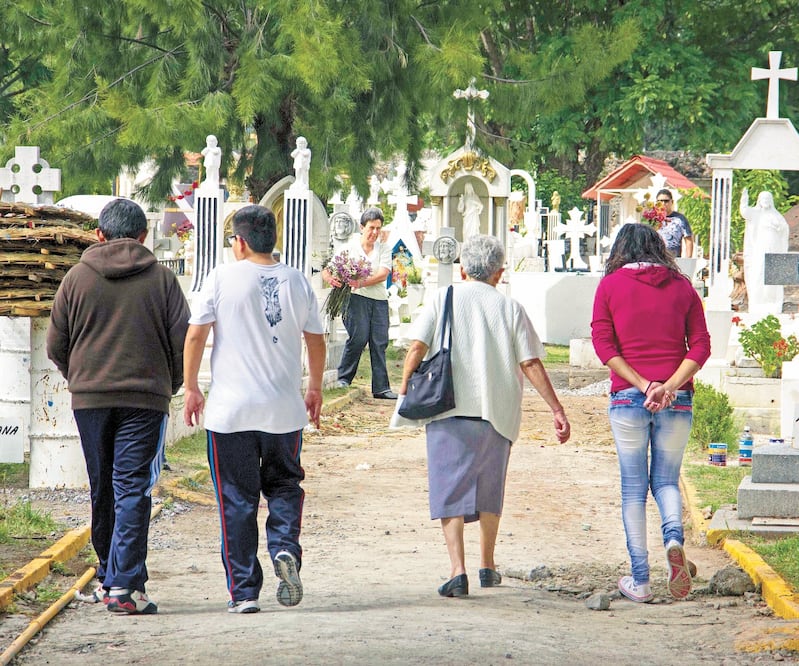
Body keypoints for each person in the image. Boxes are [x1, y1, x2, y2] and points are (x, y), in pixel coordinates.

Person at [400, 234, 570, 598]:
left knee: (449, 488)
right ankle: (488, 564)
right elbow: (530, 362)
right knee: (490, 489)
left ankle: (457, 570)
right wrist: (556, 408)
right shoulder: (510, 308)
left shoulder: (443, 298)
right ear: (499, 272)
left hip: (448, 407)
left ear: (462, 269)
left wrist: (403, 390)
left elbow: (417, 346)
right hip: (497, 411)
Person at [46, 198, 190, 615]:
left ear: (98, 235)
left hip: (90, 400)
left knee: (102, 486)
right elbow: (183, 342)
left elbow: (57, 344)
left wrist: (81, 379)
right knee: (132, 487)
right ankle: (124, 586)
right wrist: (170, 383)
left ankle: (114, 577)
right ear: (144, 236)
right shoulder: (162, 281)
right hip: (145, 400)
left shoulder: (76, 279)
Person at [183, 205, 325, 614]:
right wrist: (314, 387)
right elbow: (315, 340)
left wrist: (191, 387)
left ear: (240, 242)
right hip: (283, 410)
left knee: (237, 499)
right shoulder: (297, 281)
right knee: (284, 485)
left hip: (231, 413)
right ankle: (284, 548)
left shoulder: (222, 278)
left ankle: (244, 593)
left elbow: (196, 336)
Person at [591, 223, 710, 604]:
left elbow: (603, 344)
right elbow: (701, 346)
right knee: (666, 482)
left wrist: (645, 385)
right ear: (659, 248)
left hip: (629, 399)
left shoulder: (609, 286)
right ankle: (673, 539)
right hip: (677, 400)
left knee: (633, 488)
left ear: (620, 250)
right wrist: (669, 386)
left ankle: (640, 580)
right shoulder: (683, 287)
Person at [322, 207, 396, 399]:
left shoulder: (384, 249)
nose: (375, 233)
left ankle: (381, 388)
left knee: (379, 341)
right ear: (362, 227)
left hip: (378, 300)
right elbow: (327, 270)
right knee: (359, 336)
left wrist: (360, 282)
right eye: (371, 228)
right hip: (354, 299)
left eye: (378, 228)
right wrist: (332, 280)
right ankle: (344, 377)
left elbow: (383, 274)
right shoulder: (348, 248)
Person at [741, 188, 789, 315]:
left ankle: (773, 301)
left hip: (774, 246)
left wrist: (779, 228)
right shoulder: (756, 214)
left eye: (768, 199)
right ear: (759, 201)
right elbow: (745, 212)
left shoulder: (776, 215)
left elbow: (784, 229)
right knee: (759, 273)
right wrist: (744, 197)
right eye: (763, 199)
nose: (766, 201)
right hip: (760, 247)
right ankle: (758, 300)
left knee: (773, 274)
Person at [655, 188, 694, 258]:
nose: (663, 203)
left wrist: (688, 259)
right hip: (656, 259)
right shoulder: (653, 219)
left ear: (672, 202)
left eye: (666, 201)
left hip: (674, 259)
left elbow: (688, 240)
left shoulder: (680, 219)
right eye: (660, 201)